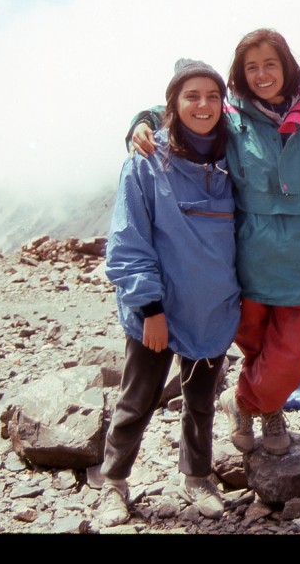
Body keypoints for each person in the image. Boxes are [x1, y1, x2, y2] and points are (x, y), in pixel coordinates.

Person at [125, 29, 300, 457]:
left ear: (286, 66)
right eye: (252, 67)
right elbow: (182, 108)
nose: (262, 74)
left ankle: (242, 401)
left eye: (270, 64)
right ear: (241, 73)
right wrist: (141, 120)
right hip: (247, 254)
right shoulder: (231, 116)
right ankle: (270, 414)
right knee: (255, 347)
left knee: (288, 359)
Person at [98, 58, 240, 527]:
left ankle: (198, 476)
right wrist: (150, 308)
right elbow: (128, 241)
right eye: (191, 96)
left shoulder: (232, 155)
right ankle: (114, 483)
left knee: (201, 400)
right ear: (172, 106)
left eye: (213, 96)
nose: (203, 105)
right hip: (159, 310)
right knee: (137, 398)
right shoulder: (145, 159)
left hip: (212, 307)